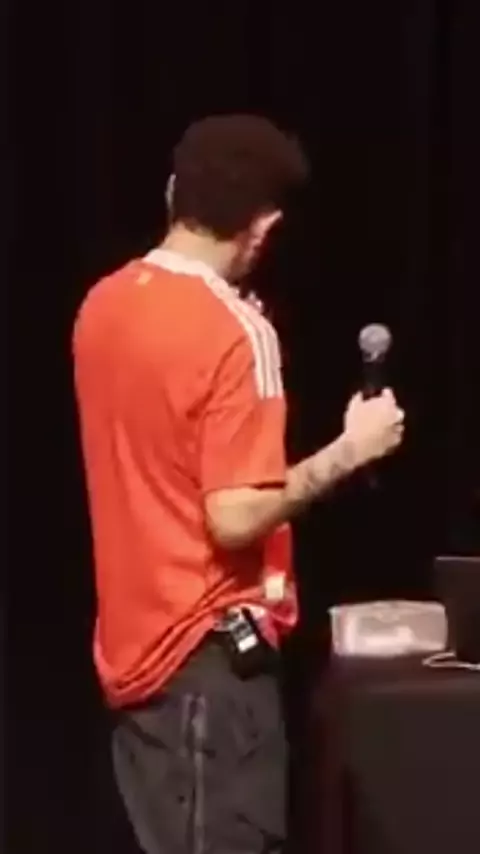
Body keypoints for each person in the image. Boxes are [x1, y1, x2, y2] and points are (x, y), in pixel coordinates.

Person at [73, 114, 404, 854]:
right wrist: (351, 450)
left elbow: (155, 450)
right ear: (264, 228)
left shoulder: (103, 304)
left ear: (173, 193)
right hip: (207, 659)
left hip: (136, 658)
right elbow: (233, 516)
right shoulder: (235, 332)